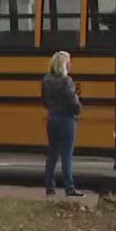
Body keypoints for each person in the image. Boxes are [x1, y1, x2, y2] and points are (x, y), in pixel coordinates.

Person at [41, 50, 82, 197]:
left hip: (52, 118)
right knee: (66, 154)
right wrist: (78, 110)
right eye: (69, 62)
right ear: (64, 64)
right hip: (66, 118)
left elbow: (44, 101)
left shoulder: (46, 80)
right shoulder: (67, 81)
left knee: (52, 153)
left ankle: (49, 187)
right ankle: (69, 187)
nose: (71, 65)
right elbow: (73, 101)